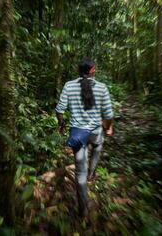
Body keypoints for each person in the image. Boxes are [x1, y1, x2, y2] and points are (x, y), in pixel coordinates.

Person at [55, 57, 113, 217]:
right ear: (93, 71)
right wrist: (107, 128)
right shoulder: (102, 87)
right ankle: (92, 172)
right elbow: (108, 115)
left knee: (80, 172)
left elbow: (59, 110)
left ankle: (83, 208)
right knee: (98, 144)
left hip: (78, 134)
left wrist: (61, 124)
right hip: (95, 132)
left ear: (79, 71)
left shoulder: (69, 85)